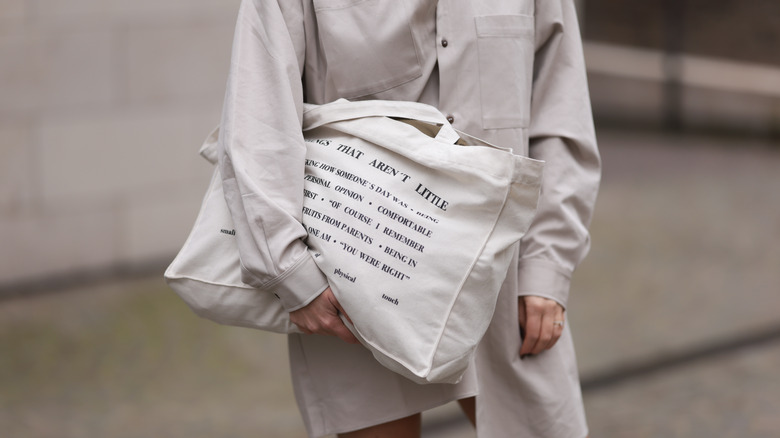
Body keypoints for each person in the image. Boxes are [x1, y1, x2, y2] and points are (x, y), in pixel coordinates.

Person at [216, 0, 600, 437]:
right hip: (356, 268)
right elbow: (259, 117)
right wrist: (293, 275)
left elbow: (559, 109)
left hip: (503, 273)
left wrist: (547, 265)